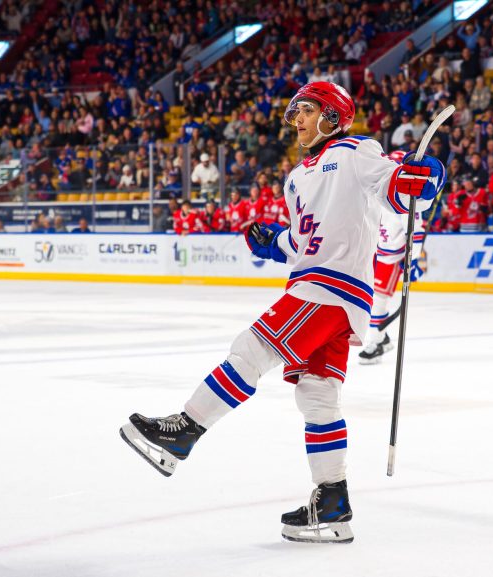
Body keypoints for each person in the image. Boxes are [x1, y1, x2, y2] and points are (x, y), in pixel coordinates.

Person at [119, 81, 445, 544]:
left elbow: (397, 189)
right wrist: (274, 242)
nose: (297, 121)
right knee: (316, 397)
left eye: (308, 111)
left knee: (250, 349)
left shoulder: (356, 150)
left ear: (333, 118)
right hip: (323, 290)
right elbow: (302, 241)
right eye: (295, 113)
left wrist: (420, 180)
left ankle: (185, 430)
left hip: (330, 290)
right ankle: (332, 504)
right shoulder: (296, 177)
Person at [359, 151, 425, 364]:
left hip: (391, 257)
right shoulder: (376, 190)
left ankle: (376, 342)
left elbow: (415, 232)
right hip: (374, 252)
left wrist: (413, 261)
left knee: (378, 299)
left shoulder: (406, 197)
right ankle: (382, 338)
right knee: (368, 298)